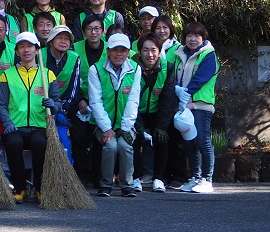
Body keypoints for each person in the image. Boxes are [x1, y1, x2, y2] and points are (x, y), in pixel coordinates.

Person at [0, 32, 62, 203]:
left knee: (40, 143)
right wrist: (7, 122)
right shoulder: (7, 75)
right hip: (15, 126)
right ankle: (19, 188)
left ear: (37, 49)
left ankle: (40, 188)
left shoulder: (47, 74)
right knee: (13, 143)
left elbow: (58, 102)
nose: (26, 50)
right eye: (22, 47)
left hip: (39, 126)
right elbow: (1, 104)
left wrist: (53, 106)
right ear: (17, 51)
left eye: (30, 46)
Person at [88, 33, 142, 198]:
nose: (119, 54)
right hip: (102, 124)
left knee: (125, 146)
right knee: (111, 146)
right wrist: (106, 128)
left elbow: (133, 101)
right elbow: (95, 102)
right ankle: (106, 185)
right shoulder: (95, 69)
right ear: (108, 51)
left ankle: (127, 185)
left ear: (128, 52)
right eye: (115, 50)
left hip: (126, 123)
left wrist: (125, 127)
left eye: (123, 50)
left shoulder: (135, 68)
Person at [173, 22, 219, 194]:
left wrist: (185, 93)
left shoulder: (208, 55)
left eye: (196, 36)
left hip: (201, 105)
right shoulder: (180, 54)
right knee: (190, 142)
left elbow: (201, 78)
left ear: (203, 38)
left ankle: (207, 179)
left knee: (203, 141)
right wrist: (178, 91)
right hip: (185, 105)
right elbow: (175, 76)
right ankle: (195, 177)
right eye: (189, 35)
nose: (192, 39)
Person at [133, 34, 177, 193]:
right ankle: (136, 177)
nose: (150, 54)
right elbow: (129, 99)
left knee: (162, 138)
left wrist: (161, 126)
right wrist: (138, 125)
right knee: (135, 139)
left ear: (159, 52)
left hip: (157, 112)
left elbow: (168, 99)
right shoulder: (131, 67)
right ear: (139, 52)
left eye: (154, 50)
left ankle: (159, 178)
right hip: (136, 112)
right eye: (145, 50)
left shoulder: (168, 67)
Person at [72, 15, 107, 185]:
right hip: (80, 99)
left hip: (103, 101)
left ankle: (98, 175)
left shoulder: (111, 49)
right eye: (89, 29)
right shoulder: (75, 48)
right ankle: (81, 174)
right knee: (80, 136)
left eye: (97, 28)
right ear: (84, 32)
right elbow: (72, 76)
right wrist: (79, 100)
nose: (93, 32)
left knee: (99, 138)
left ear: (103, 31)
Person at [43, 25, 82, 164]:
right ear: (51, 41)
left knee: (67, 138)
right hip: (41, 108)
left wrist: (62, 110)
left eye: (67, 39)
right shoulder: (40, 55)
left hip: (64, 109)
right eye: (59, 38)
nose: (63, 41)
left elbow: (74, 88)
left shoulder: (74, 58)